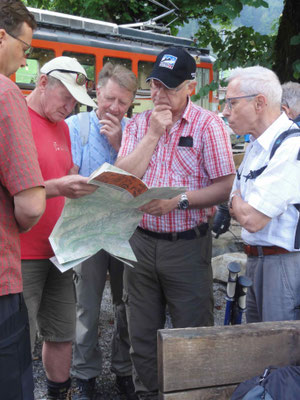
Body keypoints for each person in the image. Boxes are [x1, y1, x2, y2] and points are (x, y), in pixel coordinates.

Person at [115, 46, 236, 398]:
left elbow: (226, 186)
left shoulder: (208, 125)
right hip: (140, 241)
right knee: (142, 336)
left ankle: (193, 394)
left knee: (193, 334)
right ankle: (149, 394)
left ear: (189, 87)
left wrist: (178, 201)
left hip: (186, 245)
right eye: (154, 84)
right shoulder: (139, 124)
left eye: (167, 87)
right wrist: (153, 134)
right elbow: (120, 180)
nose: (158, 94)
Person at [20, 56, 98, 400]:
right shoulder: (14, 119)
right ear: (41, 83)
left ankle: (59, 393)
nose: (69, 107)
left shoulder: (64, 128)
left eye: (75, 102)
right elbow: (17, 187)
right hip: (19, 253)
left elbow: (61, 184)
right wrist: (59, 186)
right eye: (64, 97)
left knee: (62, 332)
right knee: (18, 337)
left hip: (59, 252)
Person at [65, 62, 138, 400]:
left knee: (128, 304)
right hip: (88, 229)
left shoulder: (136, 131)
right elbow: (68, 178)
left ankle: (123, 368)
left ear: (131, 103)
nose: (114, 108)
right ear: (96, 92)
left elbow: (144, 180)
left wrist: (124, 143)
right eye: (109, 98)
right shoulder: (75, 127)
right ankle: (85, 372)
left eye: (123, 102)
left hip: (126, 230)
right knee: (86, 306)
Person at [224, 66, 300, 324]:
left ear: (259, 102)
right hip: (257, 260)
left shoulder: (292, 146)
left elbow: (251, 218)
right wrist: (239, 201)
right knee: (258, 342)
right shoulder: (257, 145)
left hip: (282, 264)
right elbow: (235, 198)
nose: (225, 112)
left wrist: (238, 201)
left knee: (280, 349)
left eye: (232, 103)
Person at [0, 1, 46, 399]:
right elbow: (30, 204)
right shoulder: (5, 93)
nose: (25, 60)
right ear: (1, 36)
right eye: (25, 47)